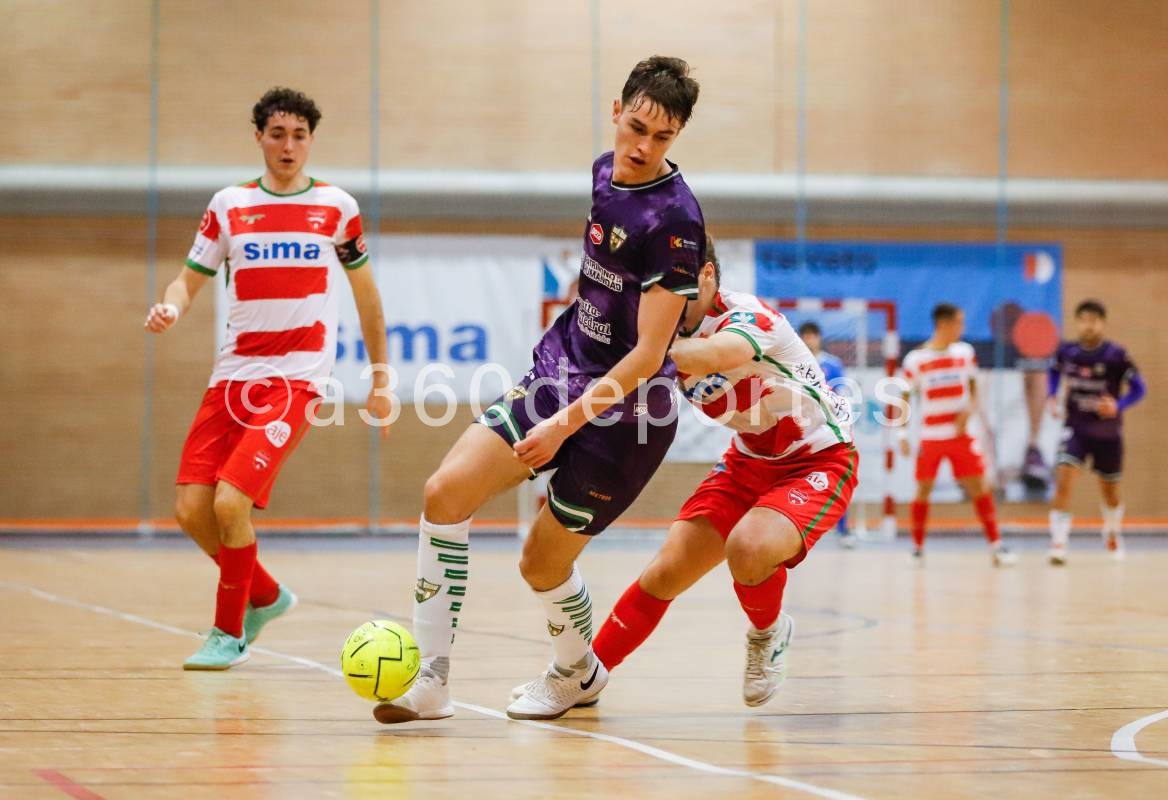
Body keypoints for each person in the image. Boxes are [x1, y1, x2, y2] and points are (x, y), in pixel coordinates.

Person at [373, 56, 704, 724]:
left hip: (629, 415)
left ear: (677, 139)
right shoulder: (602, 173)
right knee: (445, 492)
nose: (642, 147)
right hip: (560, 372)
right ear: (616, 110)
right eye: (636, 127)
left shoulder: (675, 223)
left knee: (540, 564)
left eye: (661, 138)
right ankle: (430, 680)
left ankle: (577, 672)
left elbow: (647, 355)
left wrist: (563, 426)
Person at [145, 88, 392, 669]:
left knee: (231, 504)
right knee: (190, 510)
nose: (288, 146)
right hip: (232, 375)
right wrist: (172, 307)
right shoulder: (229, 204)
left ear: (311, 141)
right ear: (258, 136)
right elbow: (187, 279)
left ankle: (227, 634)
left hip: (296, 380)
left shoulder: (337, 207)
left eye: (300, 135)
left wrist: (381, 380)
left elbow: (368, 299)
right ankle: (265, 594)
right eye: (277, 134)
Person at [583, 238, 857, 707]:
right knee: (664, 573)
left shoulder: (747, 318)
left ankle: (768, 632)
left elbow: (716, 354)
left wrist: (643, 349)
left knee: (748, 548)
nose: (663, 297)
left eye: (674, 285)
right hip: (748, 460)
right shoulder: (658, 330)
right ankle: (585, 676)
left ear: (707, 275)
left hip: (818, 459)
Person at [899, 304, 1016, 567]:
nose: (962, 329)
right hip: (931, 436)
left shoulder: (965, 353)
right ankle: (917, 549)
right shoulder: (916, 360)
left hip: (961, 436)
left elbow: (974, 391)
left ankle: (996, 547)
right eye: (958, 323)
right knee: (923, 490)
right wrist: (903, 434)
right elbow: (904, 398)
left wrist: (969, 411)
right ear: (943, 324)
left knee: (979, 487)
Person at [1046, 299, 1145, 565]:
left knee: (1110, 491)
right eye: (1084, 320)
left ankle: (1112, 532)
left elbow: (1139, 389)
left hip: (1107, 434)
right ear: (1077, 322)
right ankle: (1058, 542)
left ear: (1102, 323)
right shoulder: (1066, 352)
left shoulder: (1116, 355)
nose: (1088, 326)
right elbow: (1054, 373)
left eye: (1094, 320)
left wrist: (1119, 405)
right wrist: (1052, 396)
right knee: (1064, 478)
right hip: (1076, 429)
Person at [799, 321, 855, 548]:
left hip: (827, 429)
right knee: (798, 479)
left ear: (819, 338)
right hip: (802, 429)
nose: (809, 340)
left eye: (813, 335)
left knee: (835, 479)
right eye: (805, 336)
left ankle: (844, 530)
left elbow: (840, 395)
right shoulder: (795, 362)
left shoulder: (833, 364)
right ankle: (798, 528)